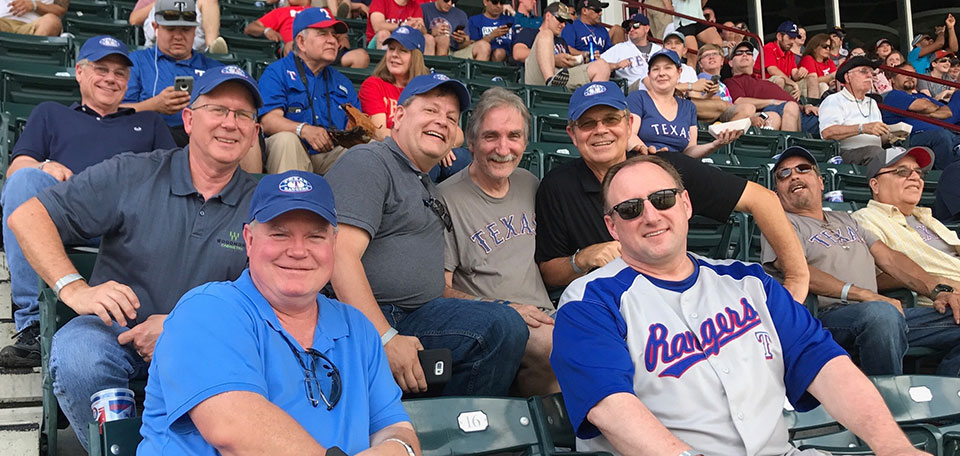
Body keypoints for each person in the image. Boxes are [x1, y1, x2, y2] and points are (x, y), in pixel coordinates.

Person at [549, 154, 928, 456]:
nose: (650, 216)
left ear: (685, 204)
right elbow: (609, 406)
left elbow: (825, 365)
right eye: (630, 209)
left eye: (662, 200)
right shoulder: (589, 301)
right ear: (612, 226)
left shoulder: (751, 282)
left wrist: (893, 446)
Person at [7, 66, 263, 450]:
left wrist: (184, 330)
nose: (231, 123)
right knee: (79, 353)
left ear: (255, 133)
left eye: (243, 115)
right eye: (218, 110)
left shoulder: (266, 201)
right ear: (189, 120)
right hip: (118, 332)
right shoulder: (134, 172)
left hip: (213, 341)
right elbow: (27, 216)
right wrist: (73, 287)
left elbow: (278, 296)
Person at [138, 170, 419, 456]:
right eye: (280, 234)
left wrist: (401, 449)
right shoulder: (207, 309)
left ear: (333, 244)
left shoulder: (357, 328)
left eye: (315, 236)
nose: (298, 250)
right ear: (249, 240)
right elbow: (234, 429)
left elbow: (396, 429)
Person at [325, 74, 528, 396]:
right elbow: (339, 255)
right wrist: (385, 337)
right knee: (500, 326)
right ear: (399, 117)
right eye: (431, 111)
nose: (442, 122)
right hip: (376, 317)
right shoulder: (369, 162)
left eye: (450, 117)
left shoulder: (423, 179)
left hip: (420, 312)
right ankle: (461, 437)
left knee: (506, 321)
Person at [534, 81, 810, 303]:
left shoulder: (666, 168)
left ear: (629, 124)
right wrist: (582, 259)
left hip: (684, 300)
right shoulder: (558, 185)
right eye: (587, 124)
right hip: (612, 308)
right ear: (572, 134)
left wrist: (797, 278)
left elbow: (762, 199)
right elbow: (548, 271)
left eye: (610, 119)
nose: (601, 130)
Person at [0, 36, 176, 368]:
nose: (111, 78)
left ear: (128, 82)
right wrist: (43, 165)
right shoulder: (51, 114)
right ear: (79, 72)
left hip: (130, 223)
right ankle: (33, 324)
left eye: (120, 73)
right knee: (24, 181)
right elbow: (17, 168)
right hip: (68, 217)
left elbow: (171, 175)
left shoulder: (149, 123)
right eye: (101, 69)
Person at [763, 146, 960, 376]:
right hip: (823, 318)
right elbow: (797, 271)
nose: (794, 175)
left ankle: (947, 404)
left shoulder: (847, 220)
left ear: (821, 182)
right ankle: (889, 404)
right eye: (783, 174)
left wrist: (939, 290)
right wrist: (864, 295)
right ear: (776, 192)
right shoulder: (780, 224)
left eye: (803, 169)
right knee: (880, 314)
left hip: (880, 316)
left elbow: (890, 259)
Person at [438, 88, 559, 396]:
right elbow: (439, 289)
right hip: (502, 320)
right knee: (564, 353)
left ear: (525, 142)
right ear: (471, 140)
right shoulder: (445, 199)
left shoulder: (529, 183)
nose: (503, 148)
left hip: (550, 313)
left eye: (514, 136)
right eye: (491, 136)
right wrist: (504, 309)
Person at [852, 147, 960, 306]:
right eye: (902, 172)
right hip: (941, 306)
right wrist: (940, 284)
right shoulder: (865, 219)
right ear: (875, 185)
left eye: (919, 172)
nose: (916, 177)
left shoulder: (927, 218)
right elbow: (872, 278)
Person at [259, 7, 361, 174]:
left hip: (330, 156)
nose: (332, 41)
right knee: (286, 140)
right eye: (323, 34)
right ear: (301, 42)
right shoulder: (277, 72)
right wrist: (303, 130)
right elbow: (268, 121)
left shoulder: (343, 83)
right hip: (292, 151)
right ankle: (293, 200)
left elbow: (356, 130)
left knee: (366, 151)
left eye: (334, 35)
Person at [122, 0, 225, 144]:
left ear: (195, 31)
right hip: (151, 139)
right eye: (171, 29)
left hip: (201, 142)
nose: (178, 36)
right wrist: (153, 106)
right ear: (155, 28)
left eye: (185, 29)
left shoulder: (213, 69)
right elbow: (115, 112)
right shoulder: (136, 61)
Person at [625, 49, 741, 158]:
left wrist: (715, 144)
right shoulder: (638, 98)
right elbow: (630, 135)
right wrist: (649, 154)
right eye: (655, 69)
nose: (661, 73)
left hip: (678, 166)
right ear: (649, 75)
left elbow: (690, 151)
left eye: (668, 68)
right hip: (645, 163)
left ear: (679, 72)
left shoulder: (688, 107)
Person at [725, 40, 819, 133]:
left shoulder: (765, 82)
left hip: (800, 113)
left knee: (827, 118)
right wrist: (772, 102)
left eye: (748, 52)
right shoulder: (732, 81)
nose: (744, 54)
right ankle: (790, 147)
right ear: (731, 63)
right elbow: (739, 101)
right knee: (791, 106)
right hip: (777, 110)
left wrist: (805, 107)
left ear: (753, 62)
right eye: (739, 53)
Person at [881, 62, 960, 170]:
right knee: (941, 136)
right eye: (904, 73)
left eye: (913, 74)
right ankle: (947, 179)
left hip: (945, 133)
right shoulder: (893, 95)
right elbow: (925, 107)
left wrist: (929, 111)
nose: (910, 76)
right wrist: (931, 110)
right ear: (893, 80)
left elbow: (947, 113)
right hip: (910, 138)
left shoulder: (921, 95)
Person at [358, 26, 428, 141]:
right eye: (391, 48)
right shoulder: (373, 84)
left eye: (403, 50)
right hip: (386, 151)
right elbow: (379, 132)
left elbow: (457, 134)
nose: (394, 54)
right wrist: (422, 144)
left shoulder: (426, 89)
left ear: (416, 58)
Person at [820, 56, 891, 166]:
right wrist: (862, 128)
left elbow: (878, 138)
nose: (869, 76)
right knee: (875, 153)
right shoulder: (834, 100)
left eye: (871, 73)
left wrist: (891, 134)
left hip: (875, 153)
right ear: (848, 78)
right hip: (845, 154)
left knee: (912, 154)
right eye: (863, 71)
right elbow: (827, 133)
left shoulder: (872, 102)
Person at [522, 2, 610, 88]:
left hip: (561, 80)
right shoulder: (530, 32)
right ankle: (550, 82)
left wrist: (583, 59)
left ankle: (595, 101)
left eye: (565, 22)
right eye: (560, 20)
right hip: (538, 80)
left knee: (602, 66)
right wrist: (553, 59)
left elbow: (568, 66)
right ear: (548, 16)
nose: (563, 25)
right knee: (547, 33)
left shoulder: (562, 41)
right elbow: (518, 54)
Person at [693, 43, 758, 123]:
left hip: (727, 112)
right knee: (749, 108)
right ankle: (724, 131)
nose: (711, 57)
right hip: (715, 114)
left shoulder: (722, 83)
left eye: (715, 54)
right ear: (700, 64)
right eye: (706, 55)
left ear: (722, 61)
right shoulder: (703, 78)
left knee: (764, 116)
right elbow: (714, 100)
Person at [132, 0, 227, 54]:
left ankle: (213, 49)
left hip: (193, 40)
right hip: (160, 43)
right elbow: (134, 19)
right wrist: (163, 2)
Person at [600, 13, 661, 91]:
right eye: (629, 27)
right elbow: (598, 66)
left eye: (636, 26)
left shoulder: (658, 49)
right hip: (632, 90)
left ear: (646, 28)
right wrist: (617, 65)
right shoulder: (620, 48)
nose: (631, 29)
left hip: (657, 86)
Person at [755, 21, 812, 99]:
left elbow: (794, 75)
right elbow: (773, 71)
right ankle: (775, 108)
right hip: (761, 87)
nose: (792, 41)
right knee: (780, 79)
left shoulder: (789, 53)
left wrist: (801, 73)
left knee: (808, 79)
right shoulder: (769, 48)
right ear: (779, 36)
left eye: (794, 38)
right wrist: (792, 83)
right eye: (789, 38)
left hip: (783, 84)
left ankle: (809, 107)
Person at [422, 0, 489, 59]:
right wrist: (431, 32)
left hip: (455, 51)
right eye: (446, 0)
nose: (449, 3)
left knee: (484, 46)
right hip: (432, 50)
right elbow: (416, 34)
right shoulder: (424, 9)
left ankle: (476, 73)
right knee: (443, 39)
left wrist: (462, 40)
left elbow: (466, 42)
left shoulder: (461, 14)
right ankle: (434, 70)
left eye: (453, 1)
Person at [366, 0, 434, 54]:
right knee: (383, 33)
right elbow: (378, 26)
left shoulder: (415, 6)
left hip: (406, 44)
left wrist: (419, 27)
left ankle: (426, 70)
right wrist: (403, 25)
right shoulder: (381, 1)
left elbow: (424, 31)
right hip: (379, 43)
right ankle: (385, 68)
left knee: (428, 38)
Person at [799, 33, 836, 99]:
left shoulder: (829, 62)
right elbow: (813, 81)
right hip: (811, 93)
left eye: (829, 47)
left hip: (828, 93)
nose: (828, 49)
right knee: (823, 85)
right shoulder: (808, 59)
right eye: (825, 46)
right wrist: (832, 76)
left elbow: (833, 80)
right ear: (815, 47)